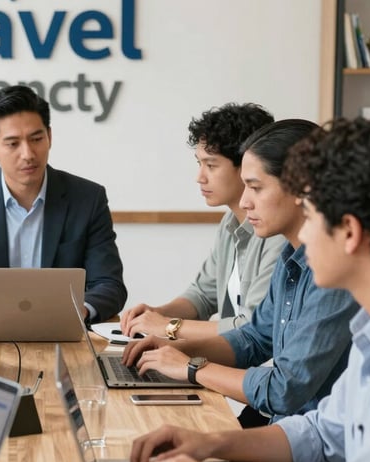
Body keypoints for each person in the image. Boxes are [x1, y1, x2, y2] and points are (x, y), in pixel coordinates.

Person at [130, 117, 370, 462]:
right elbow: (322, 430)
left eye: (309, 215)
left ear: (348, 231)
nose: (302, 235)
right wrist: (211, 443)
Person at [123, 120, 359, 426]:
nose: (245, 201)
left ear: (303, 188)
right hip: (288, 430)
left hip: (309, 444)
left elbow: (284, 390)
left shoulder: (334, 273)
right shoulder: (291, 256)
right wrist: (174, 349)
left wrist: (192, 366)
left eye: (256, 187)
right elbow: (256, 338)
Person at [0, 85, 127, 323]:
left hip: (62, 333)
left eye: (36, 139)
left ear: (49, 136)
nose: (28, 153)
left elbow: (109, 284)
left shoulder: (87, 198)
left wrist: (81, 310)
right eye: (13, 143)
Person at [120, 103, 284, 340]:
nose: (200, 177)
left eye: (211, 165)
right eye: (199, 164)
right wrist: (157, 314)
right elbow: (203, 295)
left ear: (248, 164)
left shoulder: (277, 234)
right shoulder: (230, 222)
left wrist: (168, 327)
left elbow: (252, 327)